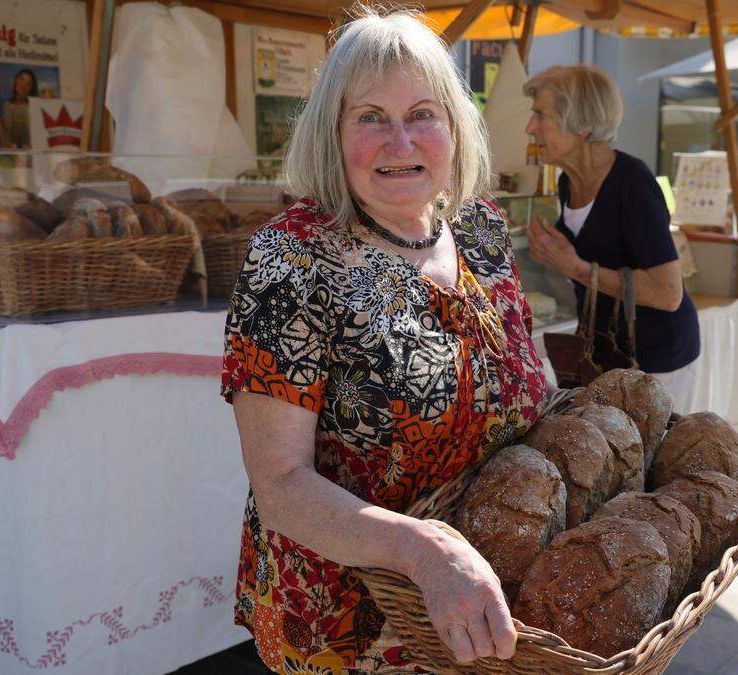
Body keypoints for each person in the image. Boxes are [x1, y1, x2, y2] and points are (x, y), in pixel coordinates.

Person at [221, 8, 548, 672]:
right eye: (370, 117)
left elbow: (526, 383)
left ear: (454, 126)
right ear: (332, 135)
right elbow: (281, 483)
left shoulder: (483, 233)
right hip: (348, 629)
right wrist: (427, 553)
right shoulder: (293, 261)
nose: (401, 141)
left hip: (479, 611)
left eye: (423, 113)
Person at [522, 65, 700, 413]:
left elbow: (668, 294)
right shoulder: (566, 183)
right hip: (603, 355)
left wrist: (573, 266)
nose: (530, 128)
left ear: (582, 126)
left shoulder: (632, 183)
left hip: (655, 359)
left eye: (540, 115)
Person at [0, 68, 36, 148]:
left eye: (28, 83)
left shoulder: (33, 108)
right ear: (16, 80)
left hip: (29, 156)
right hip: (12, 155)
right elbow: (4, 142)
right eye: (21, 79)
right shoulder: (7, 105)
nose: (23, 85)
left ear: (31, 89)